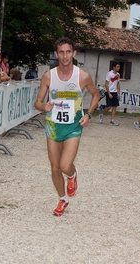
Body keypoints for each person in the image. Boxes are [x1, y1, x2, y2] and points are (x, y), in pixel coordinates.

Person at [34, 37, 98, 216]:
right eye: (61, 52)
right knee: (54, 168)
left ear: (74, 53)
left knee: (64, 165)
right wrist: (43, 107)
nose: (65, 56)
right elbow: (38, 102)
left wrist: (88, 114)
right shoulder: (48, 76)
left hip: (73, 127)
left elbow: (96, 95)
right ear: (56, 54)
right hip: (53, 127)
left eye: (68, 52)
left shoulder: (83, 76)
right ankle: (63, 199)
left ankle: (72, 175)